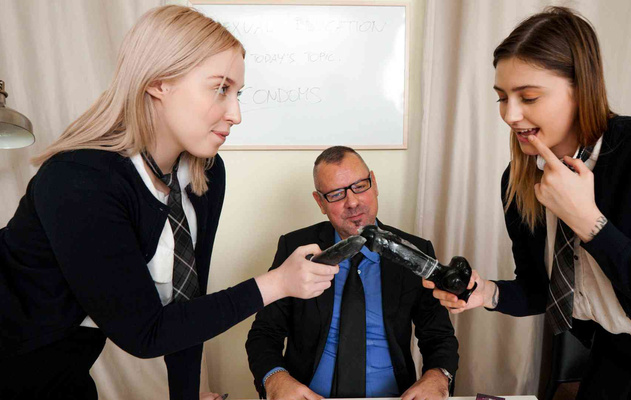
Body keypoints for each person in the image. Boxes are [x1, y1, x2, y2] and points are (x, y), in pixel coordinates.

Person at [0, 6, 338, 400]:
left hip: (65, 367)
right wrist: (277, 283)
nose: (236, 114)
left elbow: (187, 303)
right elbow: (145, 332)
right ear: (159, 82)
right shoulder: (79, 180)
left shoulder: (205, 174)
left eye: (238, 93)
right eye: (220, 88)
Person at [424, 6, 631, 400]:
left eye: (528, 97)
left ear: (581, 88)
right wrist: (486, 293)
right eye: (502, 98)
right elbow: (544, 289)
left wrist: (590, 223)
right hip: (612, 357)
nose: (510, 115)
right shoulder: (519, 180)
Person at [246, 146, 458, 400]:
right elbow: (264, 333)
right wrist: (276, 380)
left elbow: (439, 336)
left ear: (374, 184)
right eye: (336, 194)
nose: (353, 202)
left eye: (360, 186)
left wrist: (438, 377)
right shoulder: (296, 249)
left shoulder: (415, 252)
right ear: (320, 202)